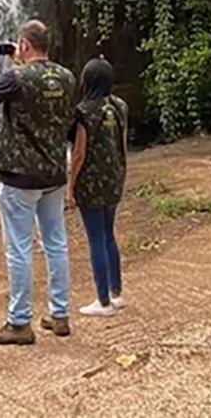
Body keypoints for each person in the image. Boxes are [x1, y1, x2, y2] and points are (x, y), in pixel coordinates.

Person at [0, 19, 77, 345]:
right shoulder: (66, 76)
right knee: (55, 242)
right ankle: (59, 314)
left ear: (25, 45)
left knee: (19, 249)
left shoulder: (16, 77)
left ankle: (19, 322)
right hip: (54, 173)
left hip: (20, 176)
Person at [69, 57, 129, 317]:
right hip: (115, 176)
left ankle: (102, 302)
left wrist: (70, 186)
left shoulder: (83, 110)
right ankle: (116, 293)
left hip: (92, 181)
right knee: (108, 234)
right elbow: (122, 142)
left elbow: (80, 152)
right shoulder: (120, 106)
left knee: (96, 238)